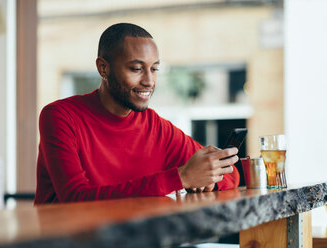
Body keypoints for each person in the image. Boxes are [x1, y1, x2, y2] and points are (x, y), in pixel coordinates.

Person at [34, 23, 239, 204]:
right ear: (103, 68)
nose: (149, 81)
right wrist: (181, 178)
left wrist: (206, 181)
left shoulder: (156, 127)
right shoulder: (60, 116)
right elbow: (75, 199)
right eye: (136, 69)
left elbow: (231, 175)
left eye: (154, 69)